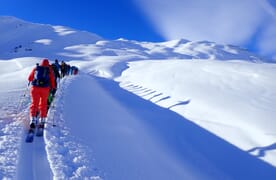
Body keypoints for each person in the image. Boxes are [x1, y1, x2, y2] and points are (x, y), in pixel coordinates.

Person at [28, 59, 56, 128]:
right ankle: (42, 120)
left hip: (35, 88)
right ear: (48, 63)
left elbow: (30, 78)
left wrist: (31, 80)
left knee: (34, 103)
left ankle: (33, 119)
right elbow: (52, 80)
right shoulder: (49, 70)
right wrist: (53, 87)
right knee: (43, 103)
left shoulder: (36, 68)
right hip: (45, 89)